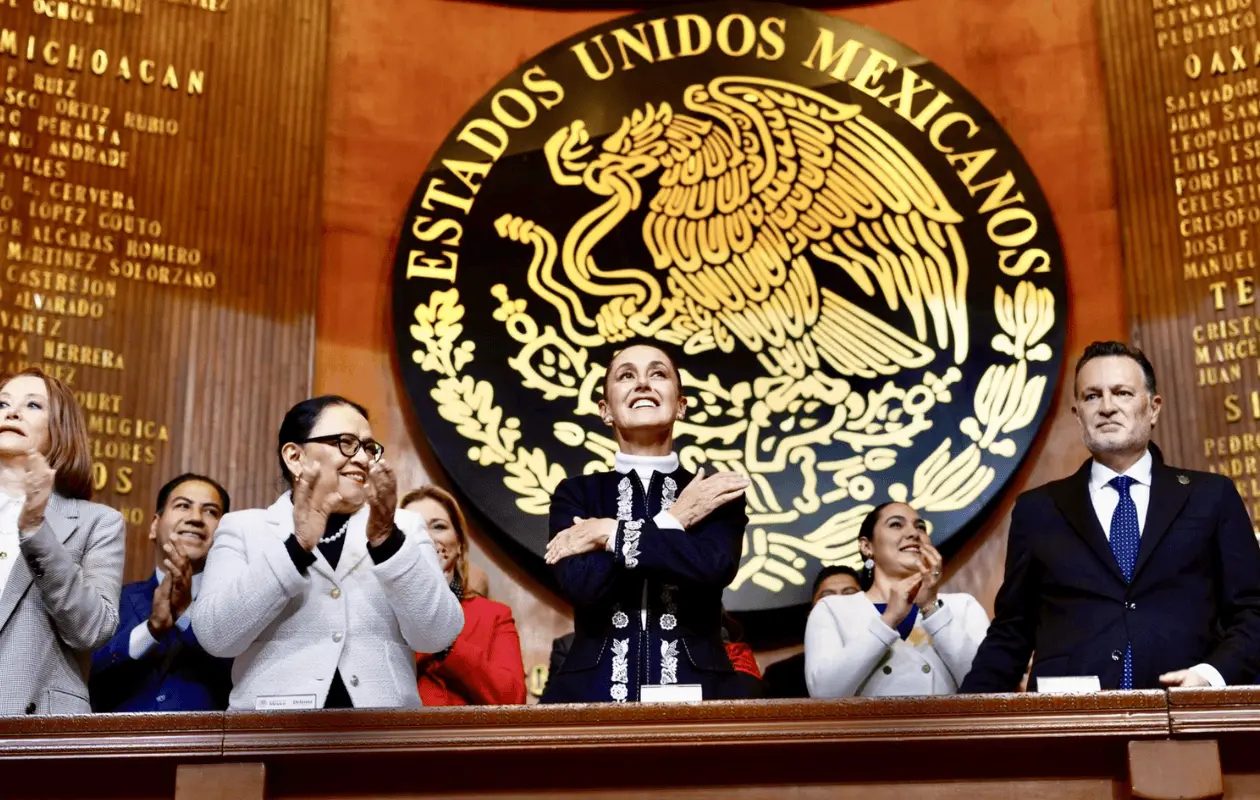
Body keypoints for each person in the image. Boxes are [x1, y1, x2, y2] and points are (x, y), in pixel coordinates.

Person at [963, 342, 1260, 692]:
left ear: (1153, 408)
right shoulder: (1037, 510)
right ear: (1077, 414)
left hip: (1183, 713)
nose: (1106, 407)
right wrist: (956, 726)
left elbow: (1253, 611)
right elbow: (1012, 631)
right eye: (1091, 396)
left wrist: (1211, 676)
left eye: (1121, 393)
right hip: (1069, 723)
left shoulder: (1211, 496)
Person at [191, 395, 463, 709]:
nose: (362, 458)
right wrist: (296, 548)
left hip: (383, 733)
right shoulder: (244, 528)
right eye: (346, 443)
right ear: (295, 456)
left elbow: (438, 634)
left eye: (369, 448)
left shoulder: (404, 527)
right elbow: (216, 637)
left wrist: (387, 542)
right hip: (270, 733)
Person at [542, 342, 752, 703]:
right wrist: (674, 520)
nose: (642, 383)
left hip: (697, 688)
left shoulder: (712, 492)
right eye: (626, 376)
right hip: (593, 692)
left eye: (658, 374)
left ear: (681, 405)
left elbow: (713, 567)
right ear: (605, 410)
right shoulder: (577, 493)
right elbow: (583, 584)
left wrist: (610, 532)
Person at [0, 368, 124, 715]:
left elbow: (93, 628)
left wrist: (36, 528)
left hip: (34, 735)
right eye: (3, 403)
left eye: (33, 405)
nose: (12, 412)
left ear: (59, 431)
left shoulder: (97, 522)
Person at [805, 503, 989, 697]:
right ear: (867, 546)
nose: (913, 533)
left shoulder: (962, 606)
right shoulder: (833, 609)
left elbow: (988, 688)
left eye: (920, 527)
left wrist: (931, 607)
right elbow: (824, 695)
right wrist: (889, 620)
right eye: (896, 525)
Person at [90, 474, 233, 712]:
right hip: (119, 745)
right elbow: (85, 673)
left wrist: (186, 615)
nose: (196, 518)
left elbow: (242, 675)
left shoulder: (237, 605)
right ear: (155, 525)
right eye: (183, 506)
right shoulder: (113, 600)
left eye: (210, 511)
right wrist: (151, 629)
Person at [403, 485, 526, 706]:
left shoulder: (493, 615)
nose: (427, 538)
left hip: (467, 737)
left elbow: (512, 699)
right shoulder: (382, 612)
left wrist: (448, 644)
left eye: (438, 527)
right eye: (414, 528)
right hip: (399, 737)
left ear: (459, 543)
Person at [763, 565, 863, 699]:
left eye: (849, 594)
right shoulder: (780, 676)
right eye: (827, 596)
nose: (838, 602)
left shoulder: (884, 662)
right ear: (811, 614)